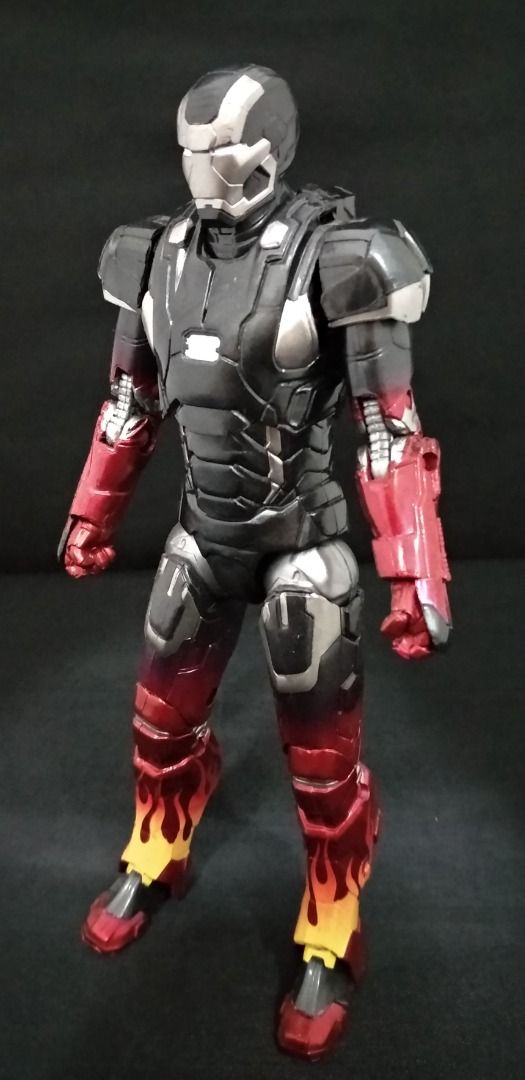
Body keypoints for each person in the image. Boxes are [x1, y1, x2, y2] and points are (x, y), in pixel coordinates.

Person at [60, 64, 451, 1060]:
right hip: (203, 535)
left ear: (267, 150)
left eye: (222, 149)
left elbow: (388, 431)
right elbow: (129, 403)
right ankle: (158, 846)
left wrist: (415, 573)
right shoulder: (155, 256)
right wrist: (91, 513)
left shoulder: (341, 256)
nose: (204, 167)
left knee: (322, 763)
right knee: (159, 719)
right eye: (192, 150)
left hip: (300, 548)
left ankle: (333, 918)